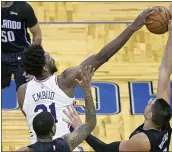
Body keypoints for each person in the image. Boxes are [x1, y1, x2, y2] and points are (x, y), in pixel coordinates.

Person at [17, 8, 153, 149]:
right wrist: (133, 27)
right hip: (66, 145)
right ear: (44, 68)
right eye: (48, 57)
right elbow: (102, 57)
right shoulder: (65, 80)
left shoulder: (22, 91)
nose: (51, 57)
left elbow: (32, 117)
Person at [65, 4, 172, 152]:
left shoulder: (143, 141)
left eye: (151, 103)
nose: (150, 100)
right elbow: (165, 70)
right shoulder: (162, 117)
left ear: (149, 115)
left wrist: (81, 129)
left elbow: (104, 149)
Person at [16, 66, 96, 152]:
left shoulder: (25, 150)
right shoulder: (63, 145)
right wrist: (87, 90)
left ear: (34, 130)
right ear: (53, 130)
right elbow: (90, 124)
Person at [1, 1, 42, 90]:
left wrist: (31, 62)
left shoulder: (24, 8)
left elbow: (37, 36)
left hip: (22, 55)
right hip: (1, 53)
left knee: (24, 92)